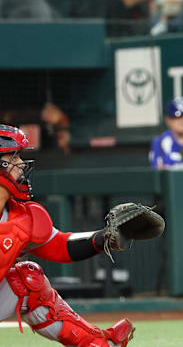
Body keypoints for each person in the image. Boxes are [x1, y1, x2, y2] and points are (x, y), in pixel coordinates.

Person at [0, 124, 135, 347]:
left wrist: (103, 238)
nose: (22, 164)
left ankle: (97, 344)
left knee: (28, 280)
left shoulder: (21, 216)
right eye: (14, 156)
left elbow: (60, 245)